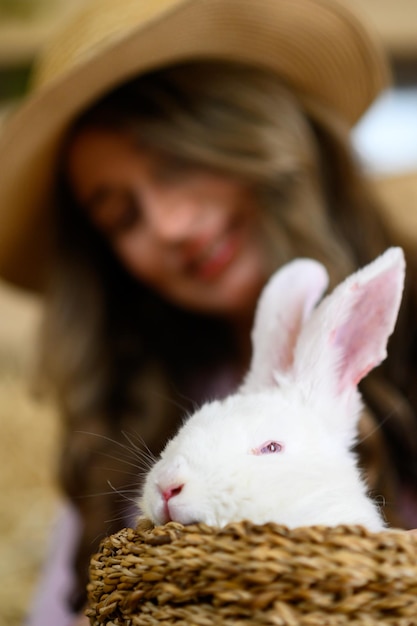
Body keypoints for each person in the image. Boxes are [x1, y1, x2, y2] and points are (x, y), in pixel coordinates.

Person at [0, 0, 417, 624]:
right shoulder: (127, 425)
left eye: (179, 162)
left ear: (261, 132)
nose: (168, 225)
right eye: (122, 215)